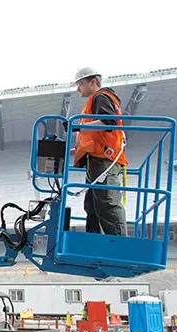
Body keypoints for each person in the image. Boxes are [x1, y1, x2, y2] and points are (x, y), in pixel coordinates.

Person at [71, 67, 127, 236]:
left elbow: (108, 121)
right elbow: (97, 133)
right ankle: (94, 240)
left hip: (104, 159)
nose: (77, 89)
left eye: (80, 84)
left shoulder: (101, 96)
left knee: (106, 202)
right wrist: (80, 148)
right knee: (92, 204)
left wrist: (78, 126)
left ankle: (117, 243)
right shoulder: (96, 100)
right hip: (96, 159)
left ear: (92, 82)